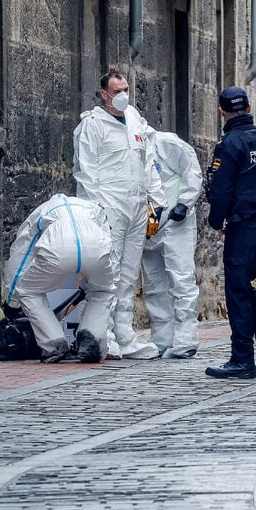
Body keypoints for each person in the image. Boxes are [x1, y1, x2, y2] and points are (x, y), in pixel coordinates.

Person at [72, 69, 166, 359]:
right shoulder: (93, 125)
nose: (123, 96)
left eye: (126, 89)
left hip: (137, 205)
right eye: (117, 91)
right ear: (104, 94)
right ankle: (103, 335)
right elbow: (86, 171)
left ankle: (125, 336)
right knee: (107, 274)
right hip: (110, 205)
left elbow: (147, 161)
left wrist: (157, 199)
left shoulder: (135, 120)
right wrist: (95, 210)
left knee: (128, 274)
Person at [203, 86, 256, 379]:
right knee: (244, 284)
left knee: (237, 289)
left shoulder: (230, 145)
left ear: (222, 112)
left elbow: (222, 191)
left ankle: (242, 358)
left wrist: (216, 221)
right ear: (249, 109)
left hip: (245, 224)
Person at [4, 194, 116, 364]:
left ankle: (54, 343)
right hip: (96, 248)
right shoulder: (93, 208)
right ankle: (91, 339)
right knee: (103, 292)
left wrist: (12, 300)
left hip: (57, 250)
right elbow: (107, 241)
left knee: (27, 292)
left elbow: (21, 255)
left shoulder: (41, 212)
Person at [141, 131, 203, 359]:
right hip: (148, 225)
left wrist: (185, 203)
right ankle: (162, 339)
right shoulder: (126, 151)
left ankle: (186, 339)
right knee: (155, 284)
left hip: (177, 221)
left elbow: (191, 170)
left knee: (181, 279)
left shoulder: (164, 143)